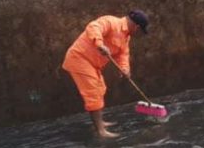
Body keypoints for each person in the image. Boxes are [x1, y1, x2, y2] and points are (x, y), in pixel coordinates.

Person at [62, 10, 149, 138]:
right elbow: (93, 27)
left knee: (101, 88)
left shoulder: (126, 37)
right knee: (93, 93)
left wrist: (125, 69)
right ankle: (100, 131)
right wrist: (99, 44)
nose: (137, 32)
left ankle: (99, 122)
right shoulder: (111, 22)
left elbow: (123, 54)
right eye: (139, 29)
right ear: (136, 26)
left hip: (93, 64)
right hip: (79, 59)